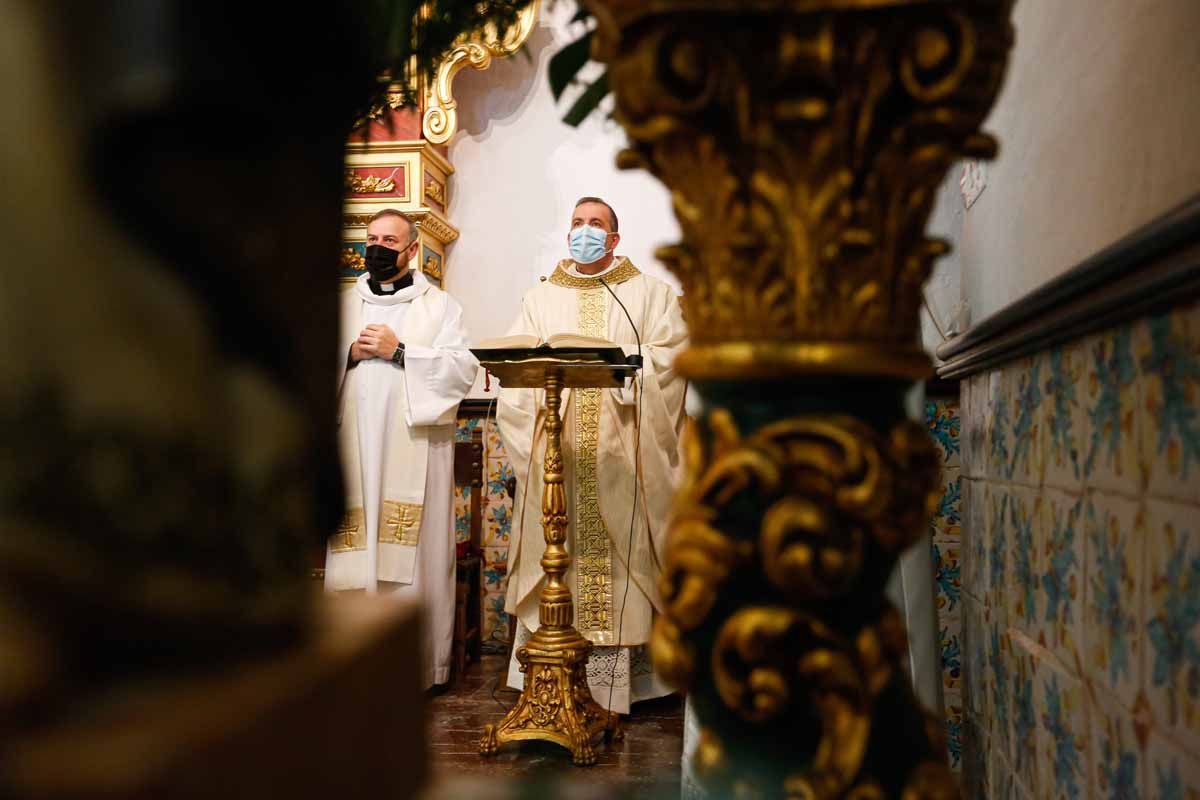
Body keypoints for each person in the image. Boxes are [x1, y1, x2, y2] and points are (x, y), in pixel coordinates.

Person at [497, 196, 688, 714]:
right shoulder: (540, 297)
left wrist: (628, 367)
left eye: (596, 224)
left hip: (620, 453)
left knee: (621, 560)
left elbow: (671, 361)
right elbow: (514, 374)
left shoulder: (649, 294)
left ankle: (620, 687)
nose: (585, 231)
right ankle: (548, 675)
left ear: (614, 238)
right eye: (577, 223)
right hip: (555, 449)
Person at [324, 208, 478, 689]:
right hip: (353, 451)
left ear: (412, 249)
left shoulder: (440, 307)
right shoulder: (342, 305)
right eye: (371, 238)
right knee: (357, 550)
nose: (378, 246)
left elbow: (461, 369)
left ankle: (416, 671)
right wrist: (348, 353)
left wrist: (401, 351)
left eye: (390, 239)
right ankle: (352, 667)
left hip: (415, 451)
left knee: (412, 561)